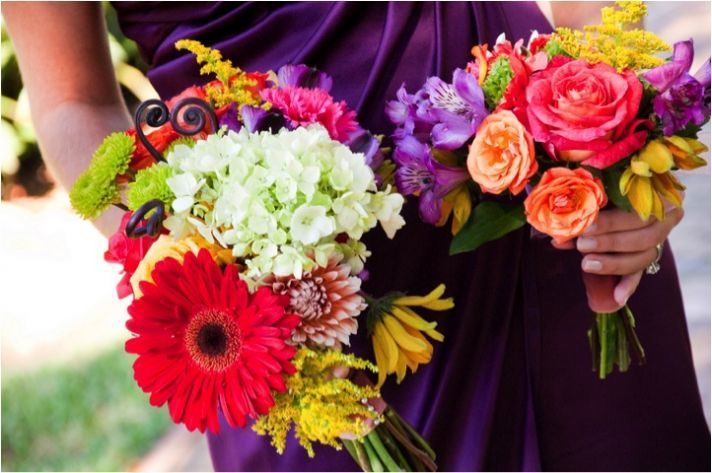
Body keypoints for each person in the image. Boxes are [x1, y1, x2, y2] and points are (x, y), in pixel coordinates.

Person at [5, 2, 709, 471]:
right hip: (289, 293)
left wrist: (620, 132)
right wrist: (172, 256)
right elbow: (75, 101)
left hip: (543, 195)